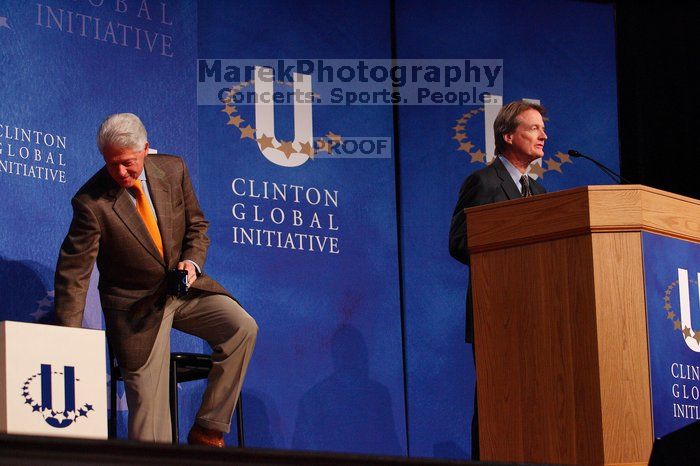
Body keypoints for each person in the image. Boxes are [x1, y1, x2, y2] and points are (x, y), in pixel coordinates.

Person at [54, 113, 257, 447]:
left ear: (145, 149)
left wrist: (191, 263)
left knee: (241, 327)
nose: (119, 172)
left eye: (127, 163)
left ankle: (208, 429)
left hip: (183, 291)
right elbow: (74, 274)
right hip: (135, 308)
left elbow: (197, 227)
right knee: (151, 425)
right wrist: (68, 340)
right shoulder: (91, 203)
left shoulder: (173, 169)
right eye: (111, 164)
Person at [448, 100, 548, 459]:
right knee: (496, 404)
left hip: (536, 315)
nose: (543, 135)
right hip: (497, 312)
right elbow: (459, 242)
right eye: (534, 128)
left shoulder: (538, 193)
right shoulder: (484, 182)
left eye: (542, 128)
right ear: (508, 135)